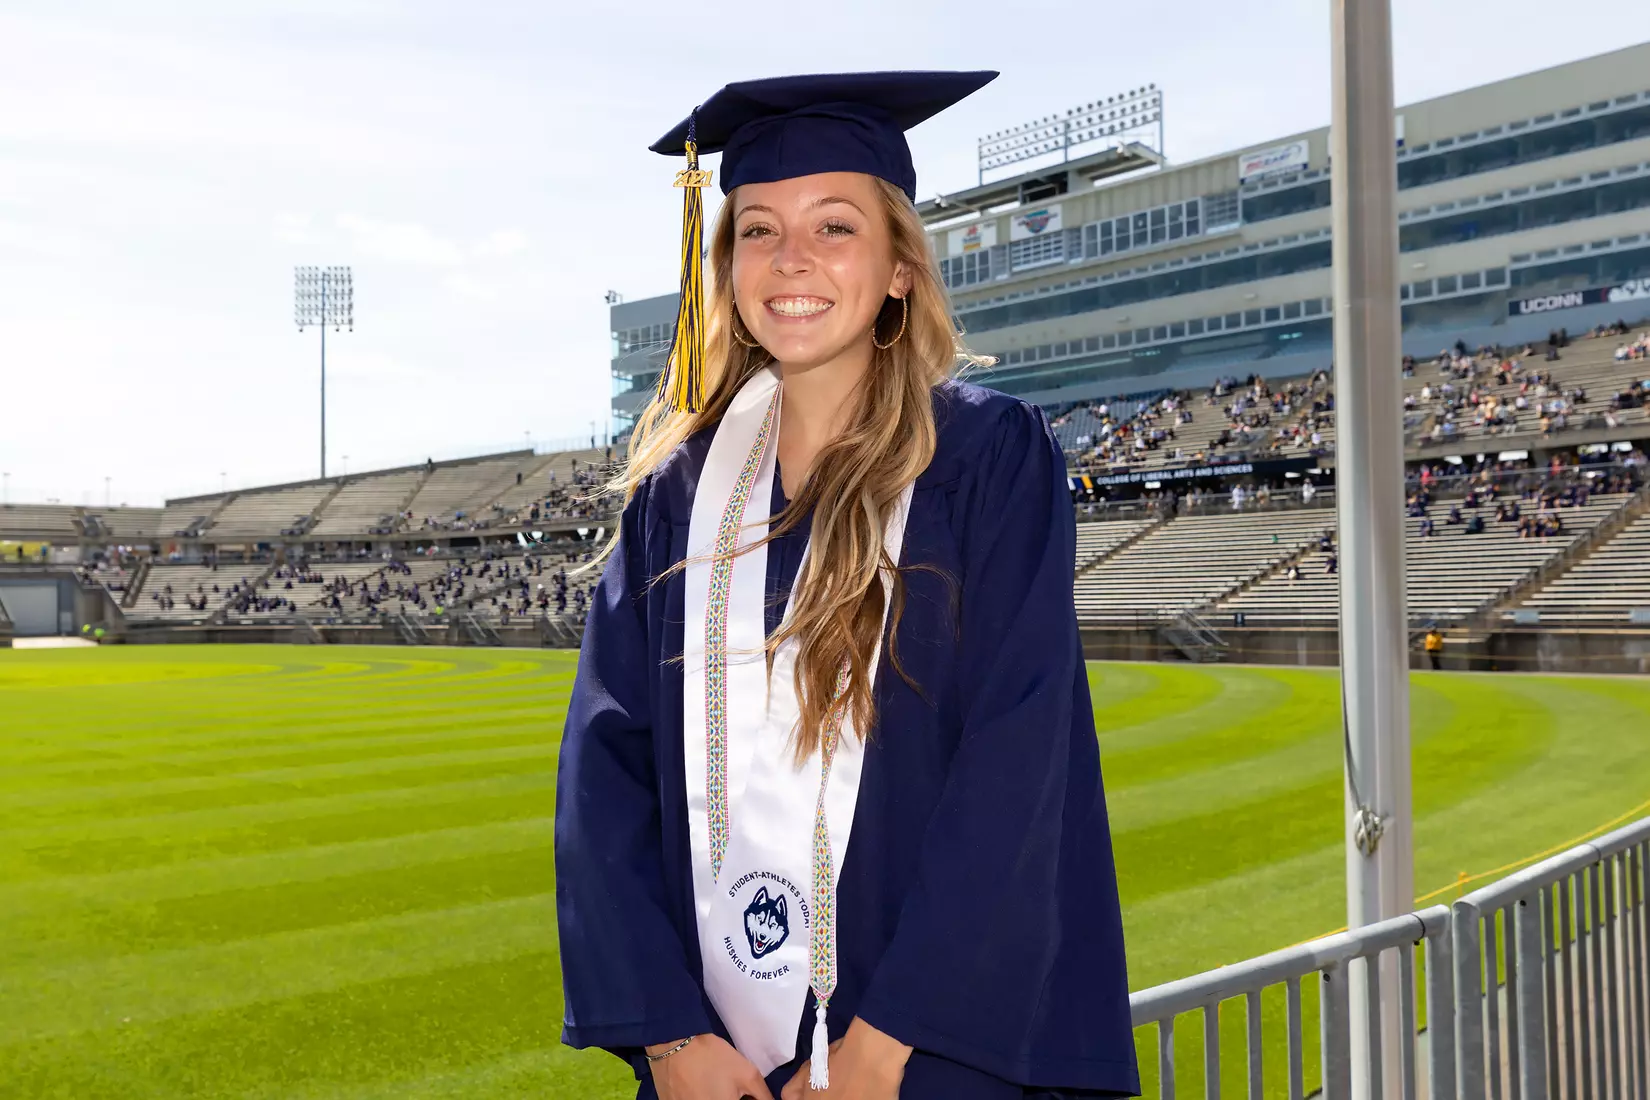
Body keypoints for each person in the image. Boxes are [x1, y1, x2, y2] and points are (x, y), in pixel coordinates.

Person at [555, 71, 1138, 1100]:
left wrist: (889, 1039)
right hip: (714, 1063)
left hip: (927, 1055)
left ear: (902, 265)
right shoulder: (677, 496)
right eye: (758, 229)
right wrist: (668, 1035)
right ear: (725, 263)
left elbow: (1020, 753)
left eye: (834, 226)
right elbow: (605, 773)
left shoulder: (987, 458)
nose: (791, 260)